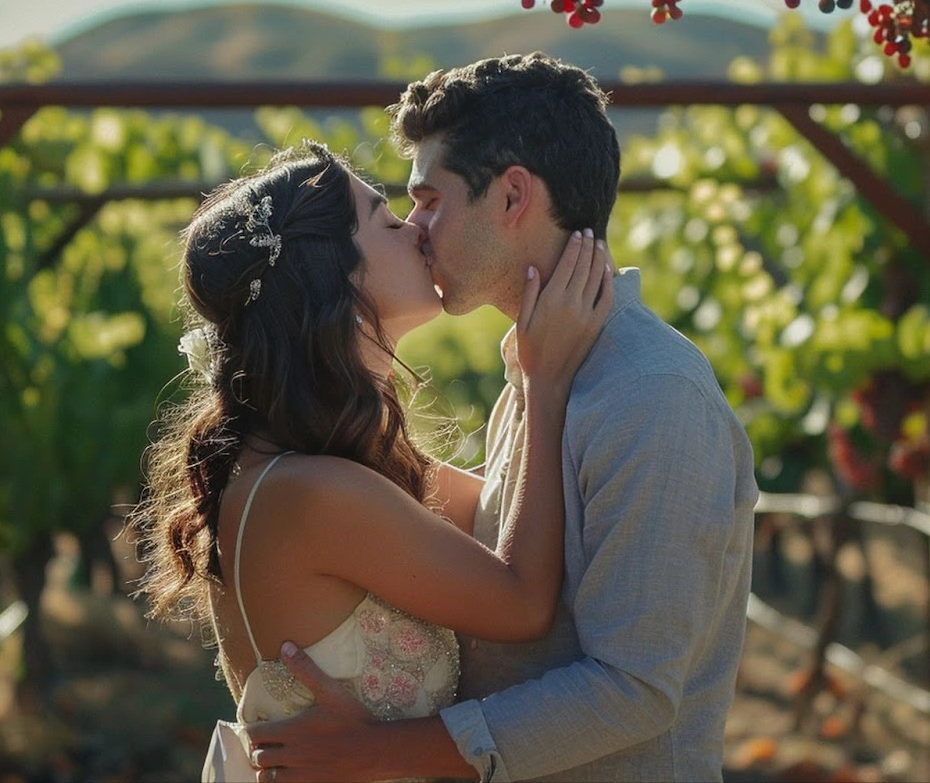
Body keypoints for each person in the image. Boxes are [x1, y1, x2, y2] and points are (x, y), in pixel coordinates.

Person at [246, 53, 760, 782]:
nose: (415, 227)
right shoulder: (535, 370)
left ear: (513, 196)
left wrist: (378, 751)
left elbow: (635, 689)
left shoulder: (654, 395)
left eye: (429, 199)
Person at [129, 140, 614, 782]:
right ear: (334, 273)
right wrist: (544, 382)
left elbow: (500, 509)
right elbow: (522, 603)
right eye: (386, 219)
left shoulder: (334, 466)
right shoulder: (313, 492)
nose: (415, 228)